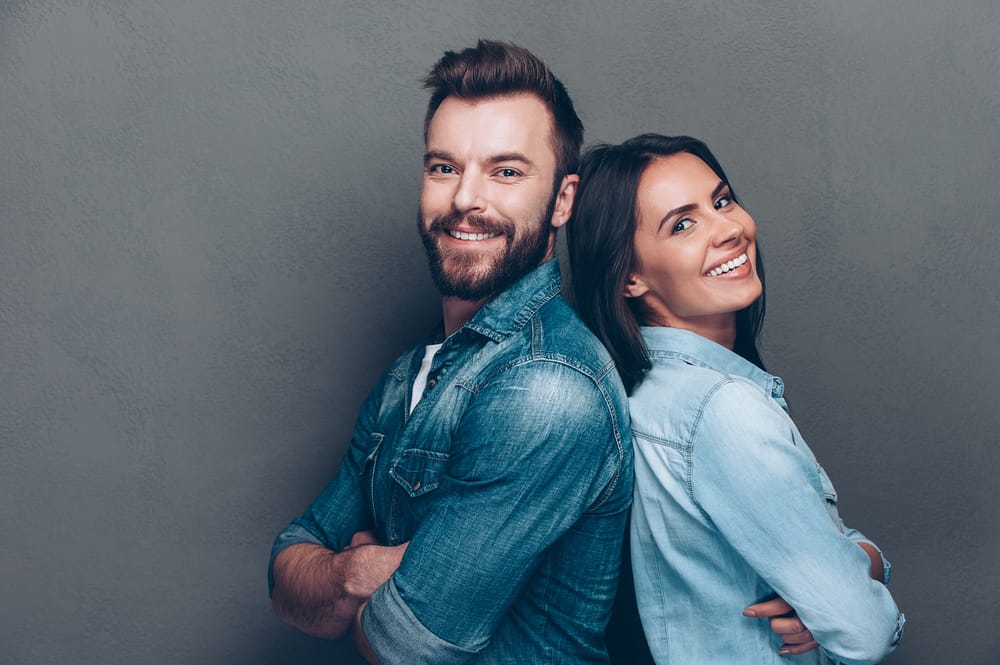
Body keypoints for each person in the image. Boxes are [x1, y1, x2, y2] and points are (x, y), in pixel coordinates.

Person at [268, 41, 633, 664]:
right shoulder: (409, 377)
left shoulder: (549, 389)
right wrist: (359, 570)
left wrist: (359, 590)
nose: (466, 199)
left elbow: (404, 646)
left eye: (506, 172)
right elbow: (286, 575)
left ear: (563, 201)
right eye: (444, 167)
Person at [567, 133, 904, 664]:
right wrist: (861, 568)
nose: (729, 229)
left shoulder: (648, 399)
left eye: (721, 201)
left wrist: (853, 567)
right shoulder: (721, 410)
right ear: (629, 276)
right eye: (683, 224)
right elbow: (864, 629)